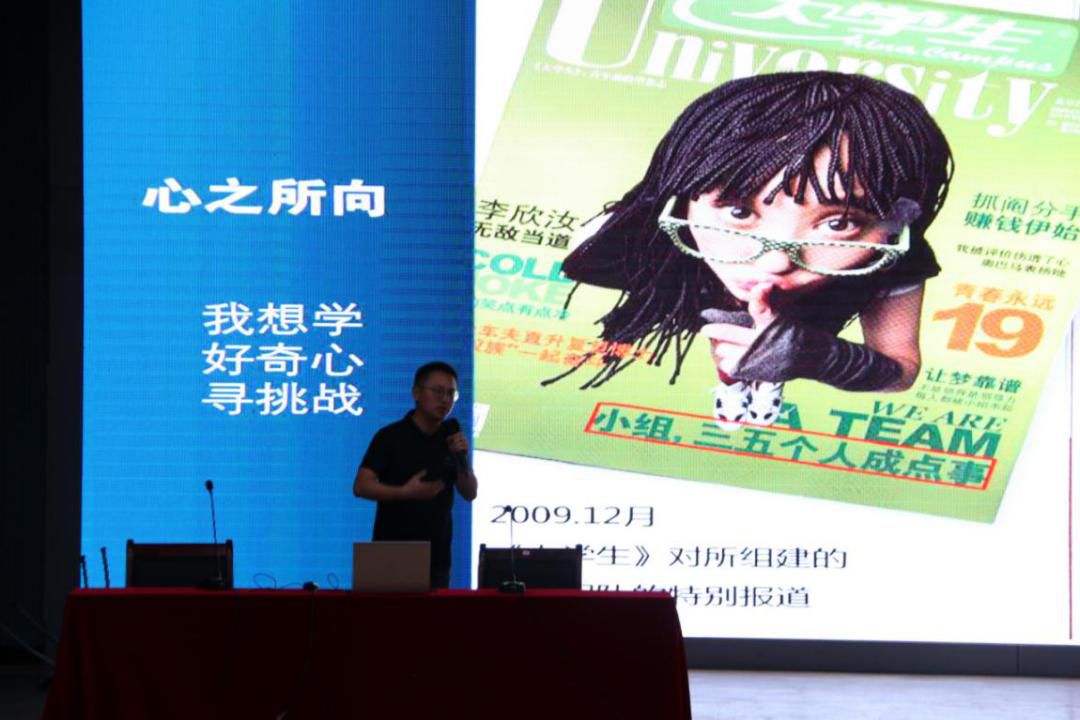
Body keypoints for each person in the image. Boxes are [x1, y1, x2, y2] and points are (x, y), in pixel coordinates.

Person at [553, 71, 953, 429]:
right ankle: (732, 386)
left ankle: (770, 382)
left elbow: (901, 371)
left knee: (771, 347)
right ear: (681, 195)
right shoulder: (642, 233)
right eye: (739, 212)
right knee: (730, 335)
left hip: (814, 316)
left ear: (899, 221)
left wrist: (818, 357)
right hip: (707, 295)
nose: (775, 261)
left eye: (839, 224)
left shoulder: (896, 261)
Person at [353, 361, 478, 588]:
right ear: (416, 393)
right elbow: (361, 486)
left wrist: (462, 459)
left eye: (451, 393)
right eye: (438, 391)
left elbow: (470, 493)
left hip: (437, 556)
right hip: (392, 553)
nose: (445, 400)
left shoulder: (451, 439)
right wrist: (405, 492)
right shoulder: (390, 437)